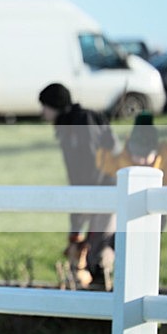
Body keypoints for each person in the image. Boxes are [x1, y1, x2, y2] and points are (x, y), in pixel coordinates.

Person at [39, 83, 118, 289]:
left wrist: (87, 201)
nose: (42, 112)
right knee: (89, 247)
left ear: (54, 105)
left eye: (44, 106)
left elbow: (96, 164)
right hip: (92, 192)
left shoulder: (82, 121)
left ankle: (102, 297)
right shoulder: (68, 126)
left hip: (106, 189)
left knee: (99, 249)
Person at [96, 111, 167, 229]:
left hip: (158, 207)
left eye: (145, 155)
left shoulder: (166, 154)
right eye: (137, 154)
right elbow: (104, 165)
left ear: (155, 150)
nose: (141, 160)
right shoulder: (123, 160)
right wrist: (104, 147)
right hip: (129, 207)